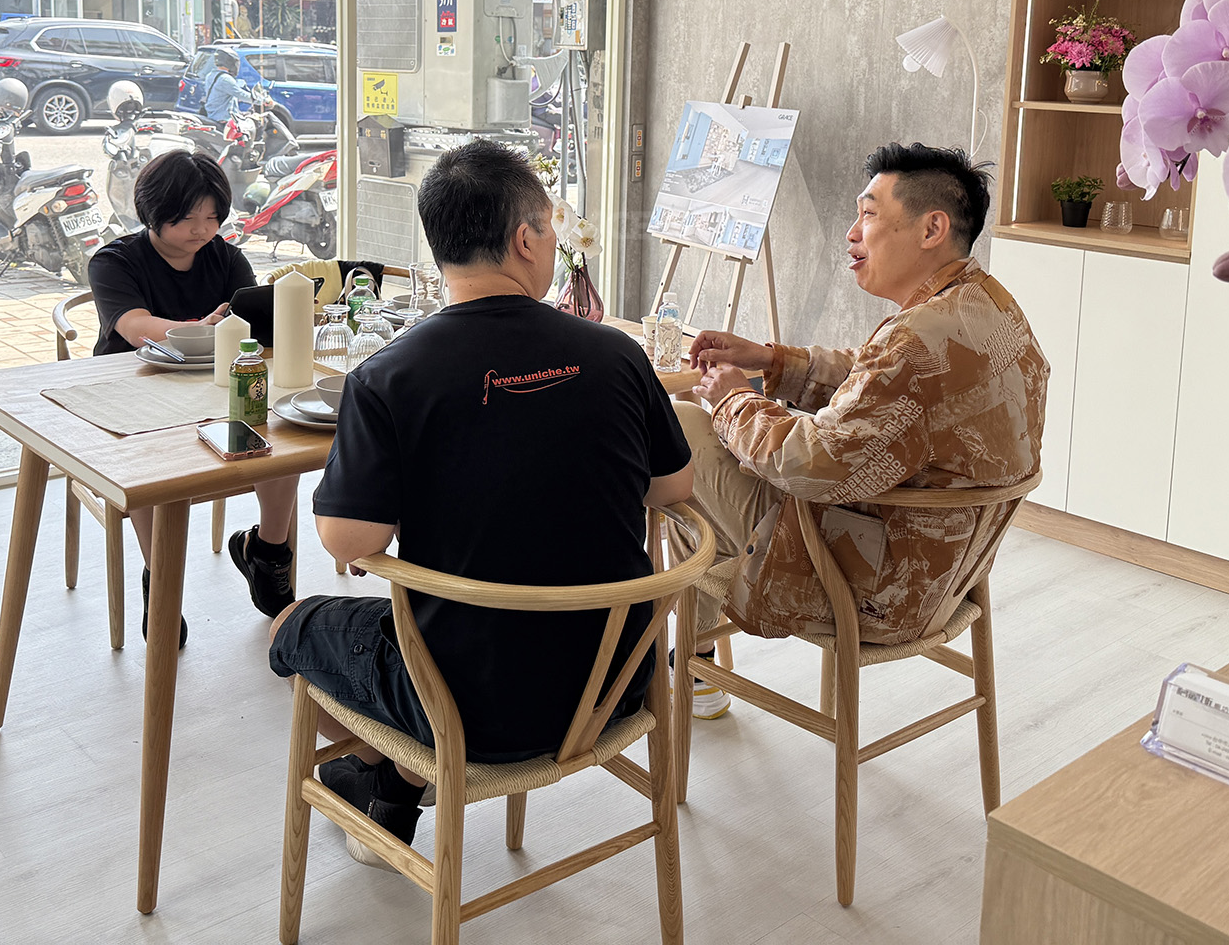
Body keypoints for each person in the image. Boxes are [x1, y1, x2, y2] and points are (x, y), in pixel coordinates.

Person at [266, 139, 691, 866]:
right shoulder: (616, 354)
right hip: (616, 680)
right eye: (550, 231)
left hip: (469, 710)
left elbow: (348, 540)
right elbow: (674, 488)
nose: (552, 244)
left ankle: (383, 776)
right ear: (525, 239)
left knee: (293, 626)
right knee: (436, 628)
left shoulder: (390, 376)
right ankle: (388, 786)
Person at [680, 142, 1048, 720]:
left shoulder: (914, 339)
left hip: (877, 589)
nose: (852, 234)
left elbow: (810, 464)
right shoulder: (987, 304)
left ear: (931, 229)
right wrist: (770, 360)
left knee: (680, 428)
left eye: (869, 215)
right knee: (706, 484)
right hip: (949, 576)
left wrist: (732, 400)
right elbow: (878, 385)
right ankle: (695, 655)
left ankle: (679, 661)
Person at [88, 149, 302, 643]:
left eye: (212, 217)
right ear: (153, 210)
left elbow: (252, 324)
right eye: (188, 218)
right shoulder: (115, 260)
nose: (202, 230)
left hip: (214, 389)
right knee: (146, 463)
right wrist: (202, 330)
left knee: (279, 431)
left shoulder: (226, 256)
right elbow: (135, 327)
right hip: (135, 393)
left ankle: (268, 551)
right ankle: (159, 574)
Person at [202, 51, 245, 124]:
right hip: (224, 118)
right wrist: (260, 100)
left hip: (213, 115)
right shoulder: (225, 79)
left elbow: (220, 94)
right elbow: (241, 94)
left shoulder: (210, 75)